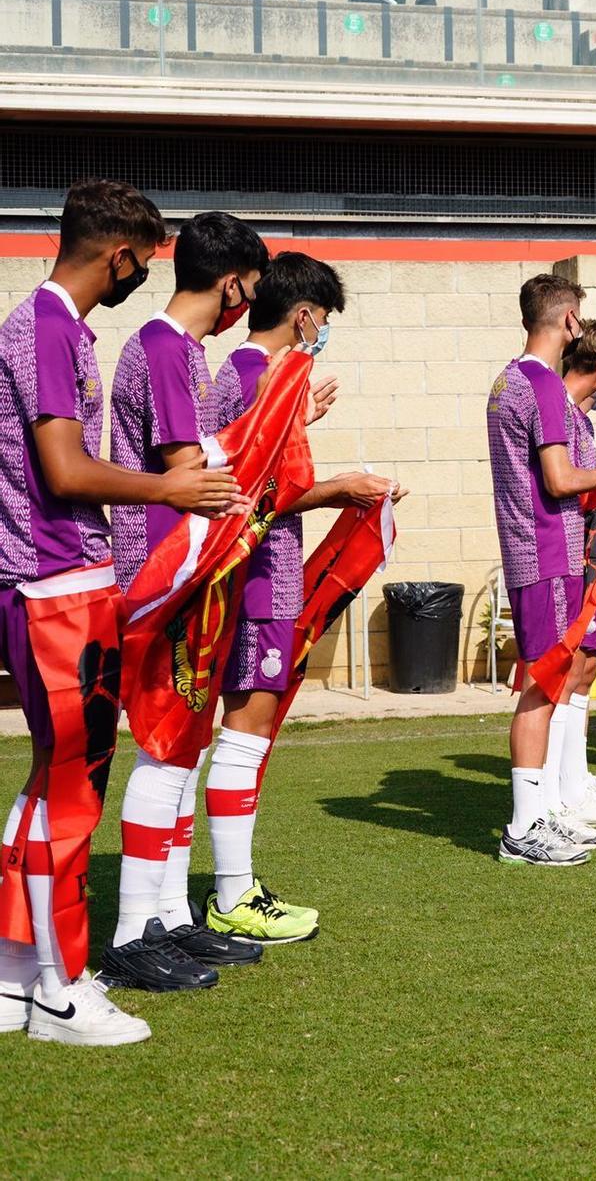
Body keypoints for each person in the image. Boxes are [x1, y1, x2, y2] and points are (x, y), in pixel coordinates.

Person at [0, 181, 237, 1046]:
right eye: (144, 259)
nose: (145, 275)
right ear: (121, 256)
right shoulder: (51, 328)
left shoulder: (47, 327)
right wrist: (168, 487)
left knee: (46, 786)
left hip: (50, 582)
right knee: (72, 792)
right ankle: (62, 990)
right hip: (55, 584)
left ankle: (16, 972)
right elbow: (64, 470)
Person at [202, 253, 398, 945]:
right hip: (259, 580)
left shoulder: (243, 373)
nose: (322, 339)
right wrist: (346, 490)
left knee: (241, 735)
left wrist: (304, 430)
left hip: (255, 576)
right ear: (305, 316)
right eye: (324, 324)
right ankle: (232, 894)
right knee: (246, 733)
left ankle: (229, 888)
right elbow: (266, 492)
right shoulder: (261, 374)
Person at [101, 211, 273, 994]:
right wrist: (268, 437)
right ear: (233, 281)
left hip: (191, 571)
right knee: (165, 746)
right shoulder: (166, 348)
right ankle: (133, 929)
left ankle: (168, 913)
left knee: (183, 745)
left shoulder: (183, 352)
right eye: (249, 290)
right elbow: (186, 466)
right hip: (165, 571)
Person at [487, 278, 596, 866]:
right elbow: (560, 480)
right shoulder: (540, 385)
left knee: (551, 685)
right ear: (568, 321)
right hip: (547, 549)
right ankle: (525, 824)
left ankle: (546, 809)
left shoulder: (511, 378)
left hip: (535, 548)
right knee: (543, 687)